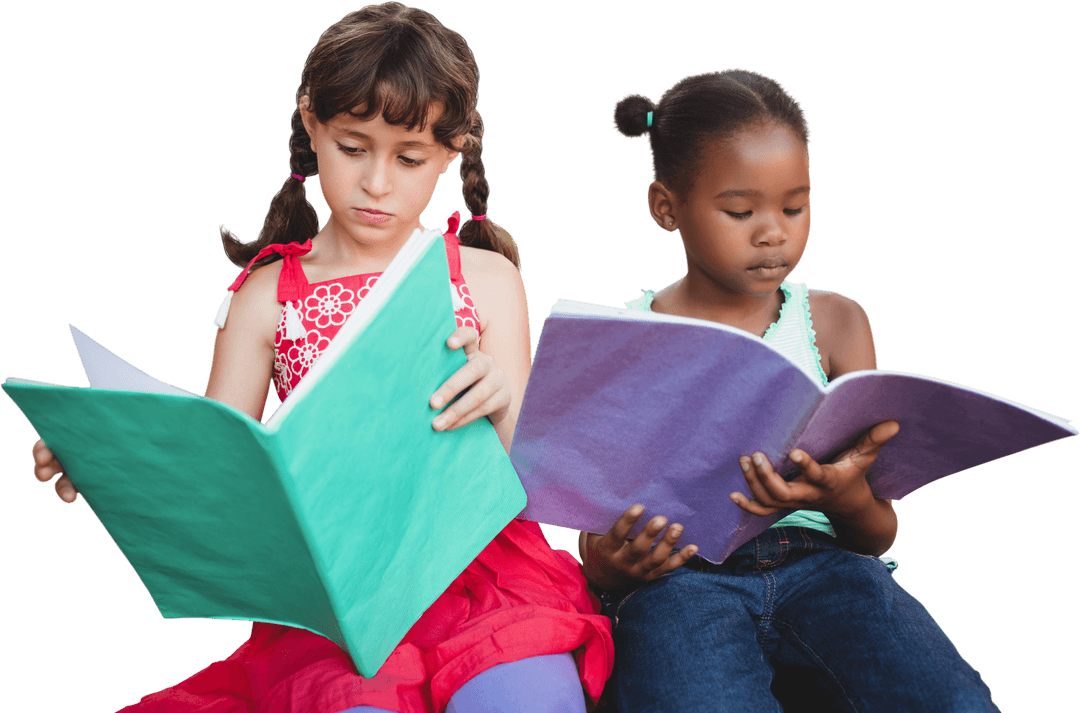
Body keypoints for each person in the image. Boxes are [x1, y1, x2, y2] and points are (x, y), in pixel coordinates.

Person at [30, 4, 612, 712]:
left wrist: (501, 399)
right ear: (311, 124)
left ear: (453, 151)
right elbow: (216, 474)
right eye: (353, 147)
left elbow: (539, 478)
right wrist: (108, 465)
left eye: (409, 158)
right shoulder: (265, 295)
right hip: (338, 603)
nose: (376, 183)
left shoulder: (485, 279)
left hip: (483, 580)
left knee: (525, 700)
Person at [578, 69, 1000, 712]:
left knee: (955, 701)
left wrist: (844, 493)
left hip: (827, 566)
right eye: (740, 212)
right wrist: (614, 565)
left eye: (794, 207)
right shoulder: (624, 337)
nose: (772, 231)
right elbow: (594, 549)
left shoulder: (834, 322)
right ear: (667, 208)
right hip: (683, 581)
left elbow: (878, 534)